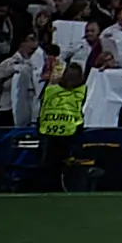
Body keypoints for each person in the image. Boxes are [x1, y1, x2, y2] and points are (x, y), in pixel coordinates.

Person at [37, 62, 87, 191]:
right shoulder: (83, 91)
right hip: (69, 130)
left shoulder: (50, 89)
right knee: (63, 163)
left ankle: (48, 188)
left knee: (48, 164)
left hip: (49, 129)